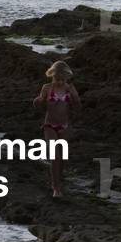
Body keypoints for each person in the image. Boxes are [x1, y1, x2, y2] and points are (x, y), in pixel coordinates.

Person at [33, 61, 81, 197]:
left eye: (62, 79)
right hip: (49, 125)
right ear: (52, 76)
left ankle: (60, 179)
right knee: (55, 155)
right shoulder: (47, 88)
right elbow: (40, 101)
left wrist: (75, 102)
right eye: (57, 79)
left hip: (64, 126)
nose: (59, 82)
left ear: (66, 77)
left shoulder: (70, 88)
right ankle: (56, 187)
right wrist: (37, 101)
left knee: (63, 158)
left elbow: (78, 104)